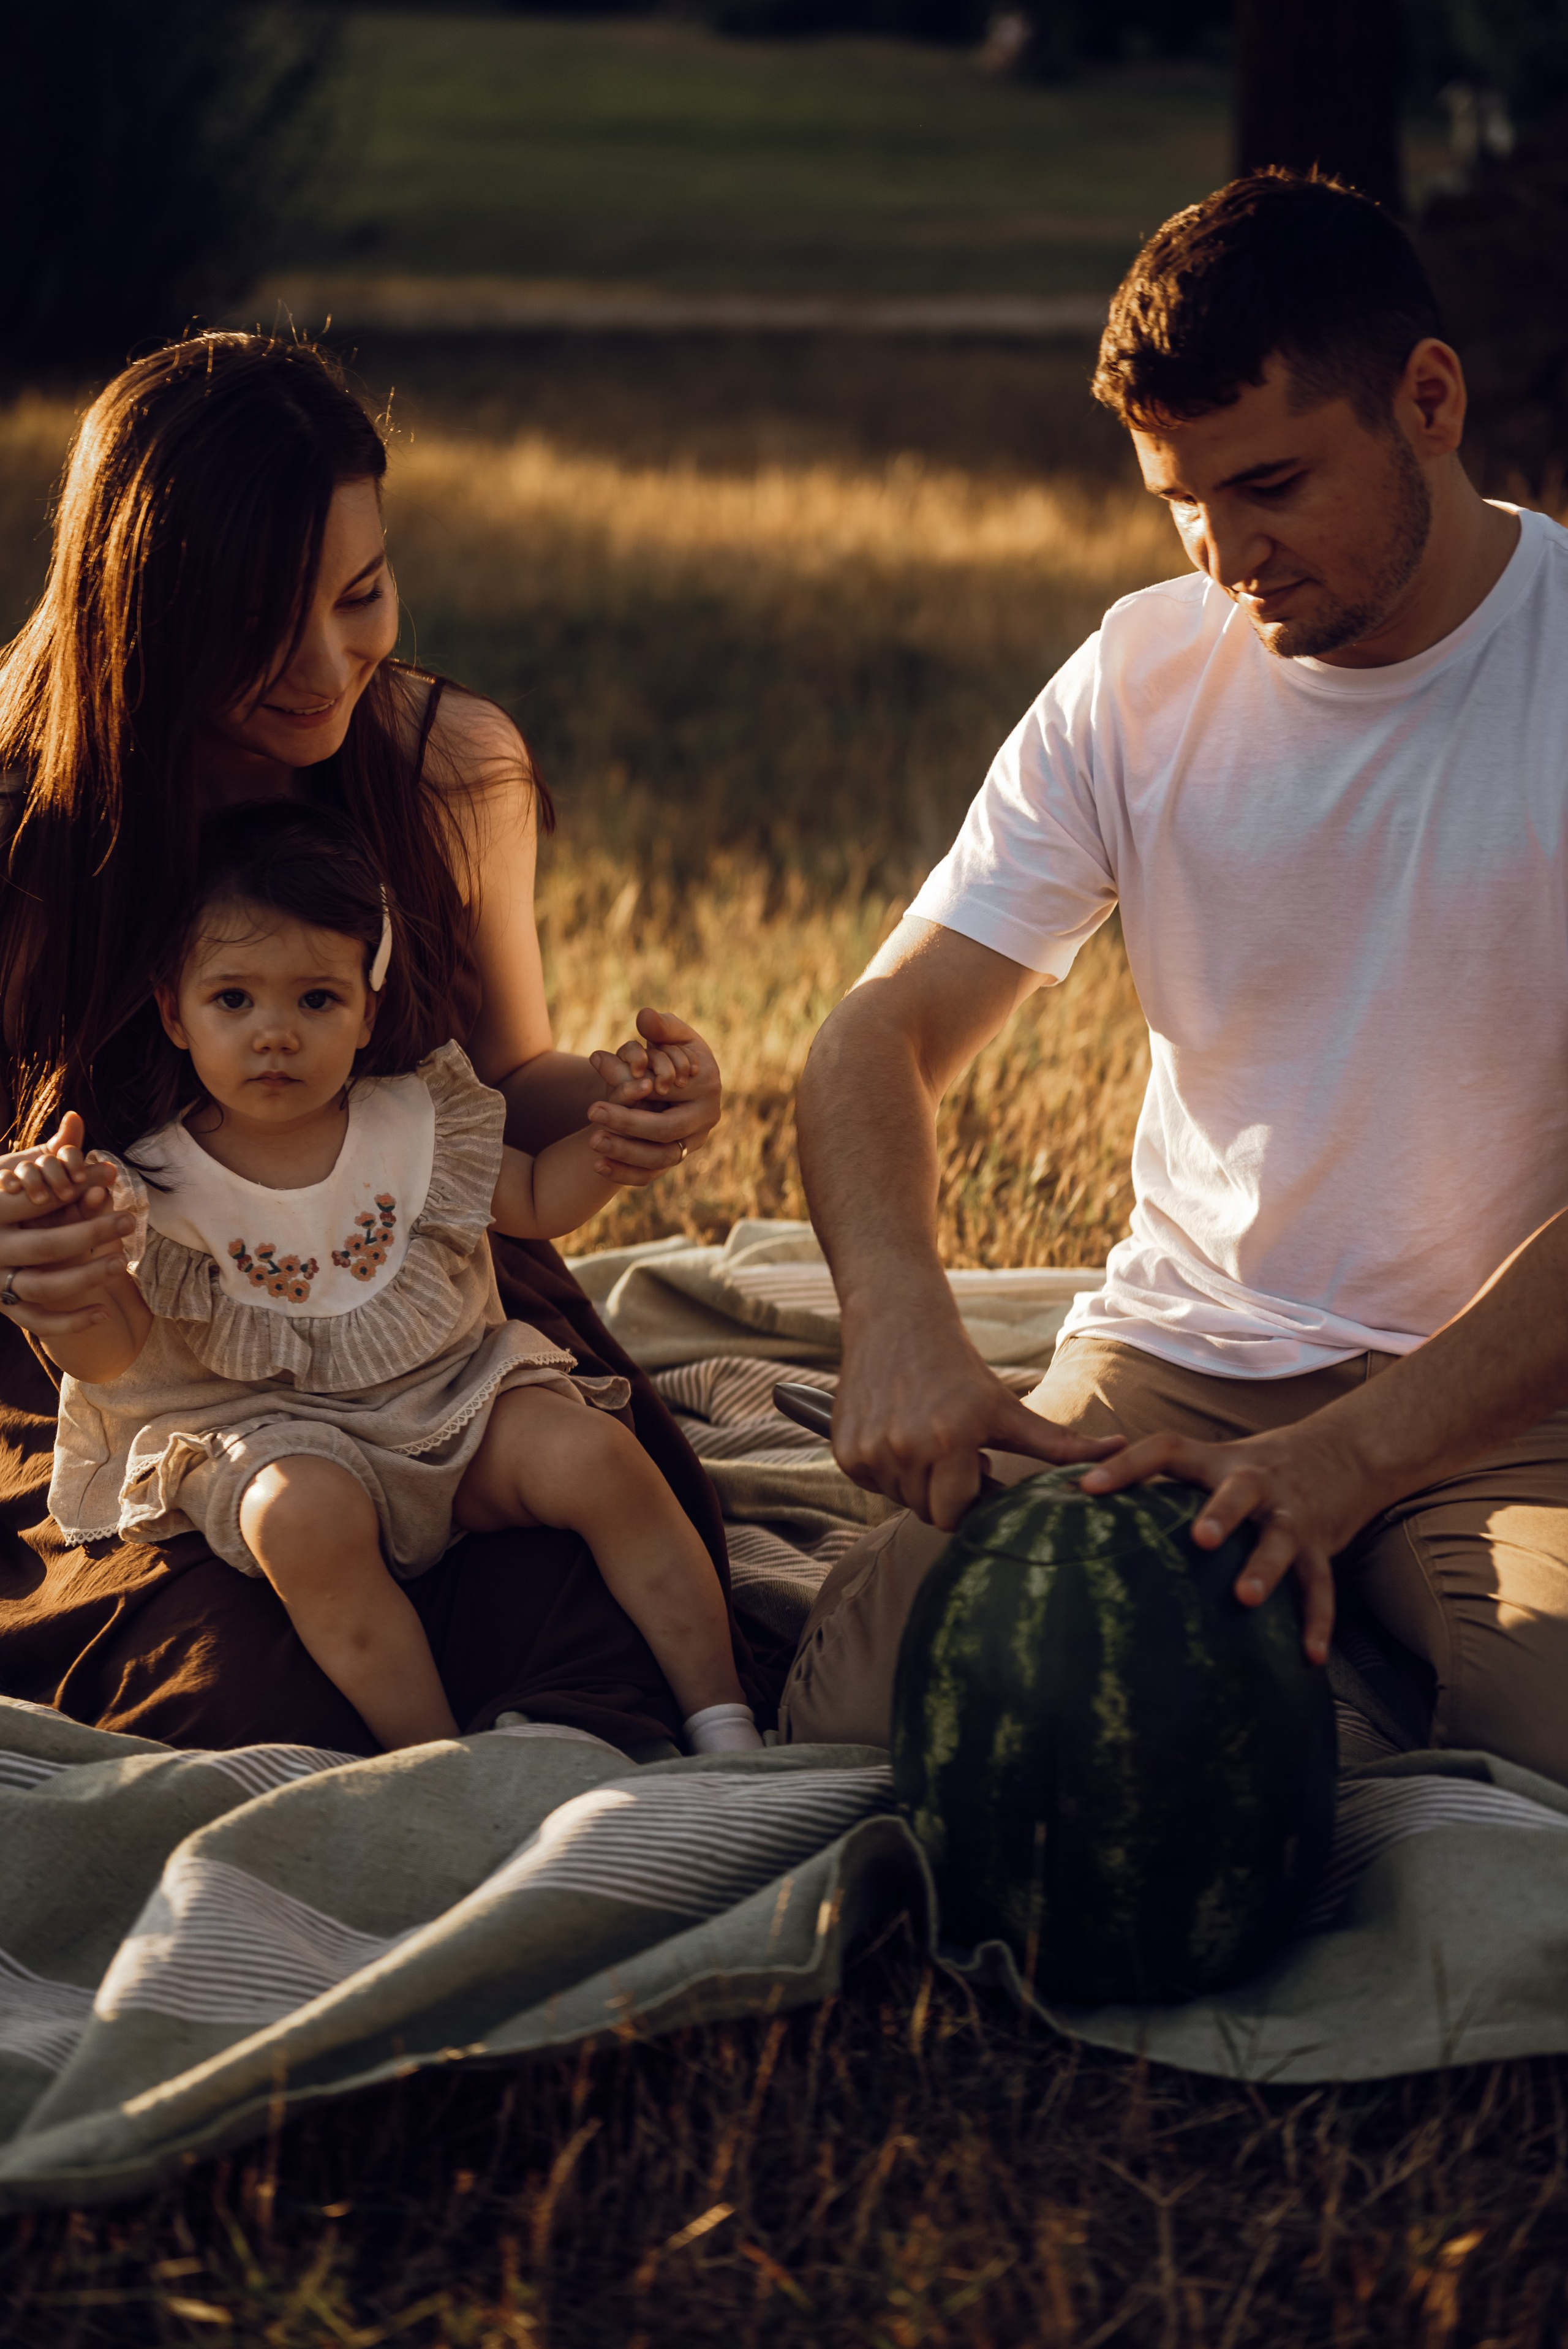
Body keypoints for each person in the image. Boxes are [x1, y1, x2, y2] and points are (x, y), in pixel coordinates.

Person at [780, 168, 1568, 1785]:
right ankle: (1287, 1670)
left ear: (1429, 400)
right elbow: (880, 1032)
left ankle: (1302, 1666)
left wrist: (1351, 1457)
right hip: (1180, 1364)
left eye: (1270, 484)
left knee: (1553, 1753)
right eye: (1180, 502)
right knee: (876, 1726)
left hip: (1507, 1391)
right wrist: (903, 1324)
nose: (1226, 557)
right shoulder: (1141, 673)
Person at [0, 331, 780, 1755]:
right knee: (252, 1703)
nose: (321, 665)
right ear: (137, 613)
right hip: (127, 1362)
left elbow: (505, 1084)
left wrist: (618, 1106)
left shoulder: (443, 765)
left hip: (421, 1313)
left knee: (588, 1628)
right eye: (254, 621)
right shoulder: (22, 807)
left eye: (359, 595)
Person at [8, 804, 763, 1756]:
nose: (274, 1034)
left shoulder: (418, 1122)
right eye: (233, 1000)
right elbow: (111, 1355)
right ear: (174, 1011)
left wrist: (615, 1146)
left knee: (601, 1456)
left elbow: (532, 1198)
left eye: (315, 1000)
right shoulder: (150, 1181)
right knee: (302, 1517)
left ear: (368, 1009)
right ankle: (430, 1752)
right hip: (264, 1431)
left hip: (446, 1402)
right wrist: (63, 1266)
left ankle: (725, 1716)